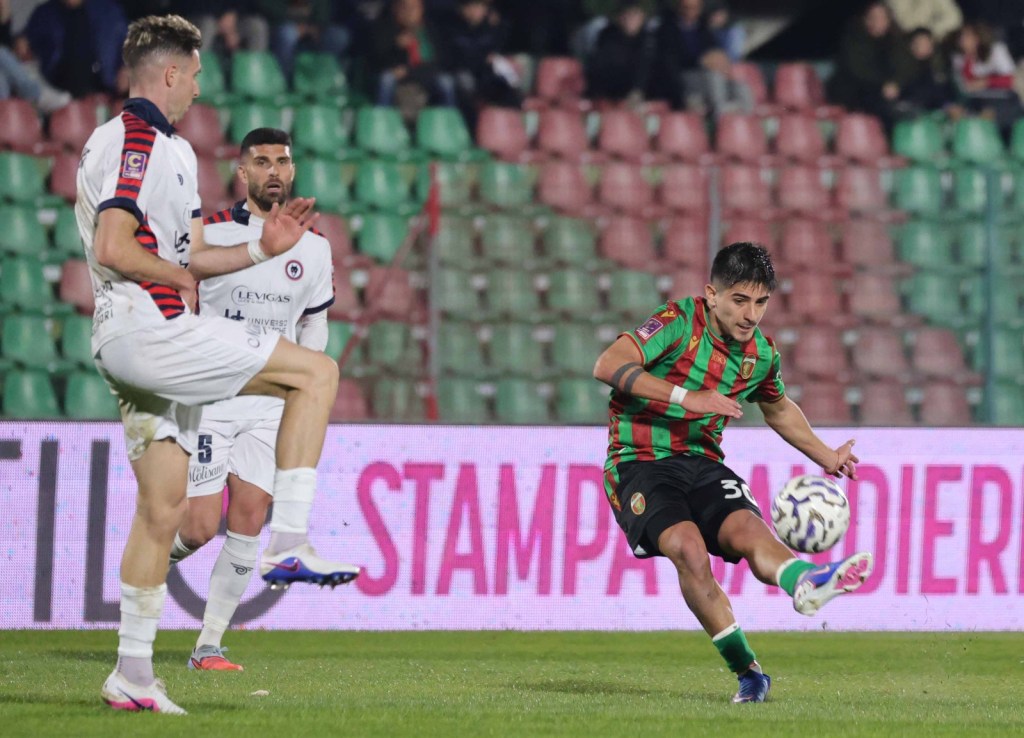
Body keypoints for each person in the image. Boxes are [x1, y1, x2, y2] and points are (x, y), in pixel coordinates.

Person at [77, 15, 354, 715]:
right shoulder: (137, 139)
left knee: (165, 511)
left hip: (134, 339)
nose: (200, 87)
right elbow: (114, 246)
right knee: (316, 375)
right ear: (169, 73)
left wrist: (262, 250)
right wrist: (170, 274)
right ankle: (288, 538)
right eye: (195, 73)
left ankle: (132, 674)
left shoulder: (160, 147)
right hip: (149, 330)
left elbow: (188, 253)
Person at [593, 242, 873, 704]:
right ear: (712, 294)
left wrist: (825, 454)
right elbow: (608, 365)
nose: (751, 314)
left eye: (761, 302)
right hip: (638, 462)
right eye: (740, 300)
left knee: (747, 528)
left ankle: (805, 581)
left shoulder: (760, 354)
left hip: (702, 462)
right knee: (688, 549)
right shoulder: (677, 322)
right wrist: (688, 398)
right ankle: (749, 672)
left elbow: (778, 408)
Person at [170, 127, 357, 672]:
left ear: (292, 172)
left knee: (249, 516)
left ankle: (208, 645)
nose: (273, 170)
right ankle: (149, 564)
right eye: (261, 161)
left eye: (282, 161)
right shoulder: (209, 233)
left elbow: (313, 333)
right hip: (211, 397)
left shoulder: (316, 249)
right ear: (242, 171)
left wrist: (300, 392)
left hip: (267, 402)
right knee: (201, 527)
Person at [647, 0, 751, 116]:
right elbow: (670, 62)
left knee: (740, 85)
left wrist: (721, 62)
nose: (691, 11)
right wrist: (700, 60)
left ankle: (747, 123)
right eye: (687, 7)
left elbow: (714, 51)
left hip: (706, 74)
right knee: (713, 76)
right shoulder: (667, 29)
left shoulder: (703, 28)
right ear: (679, 8)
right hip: (684, 77)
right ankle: (720, 116)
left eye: (695, 7)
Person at [827, 1, 916, 130]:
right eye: (872, 17)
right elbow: (858, 70)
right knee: (879, 104)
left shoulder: (896, 40)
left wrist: (896, 82)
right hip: (855, 90)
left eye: (882, 17)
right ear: (865, 19)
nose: (877, 21)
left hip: (887, 90)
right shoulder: (854, 38)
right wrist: (884, 84)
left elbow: (906, 65)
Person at [23, 0, 128, 98]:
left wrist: (127, 67)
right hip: (60, 90)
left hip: (105, 87)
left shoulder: (107, 10)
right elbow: (25, 44)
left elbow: (129, 44)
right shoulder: (44, 14)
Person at [584, 0, 652, 104]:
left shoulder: (649, 40)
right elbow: (598, 69)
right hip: (608, 96)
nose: (631, 20)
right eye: (627, 15)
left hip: (642, 97)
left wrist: (638, 90)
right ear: (619, 17)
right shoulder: (607, 37)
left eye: (635, 15)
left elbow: (647, 69)